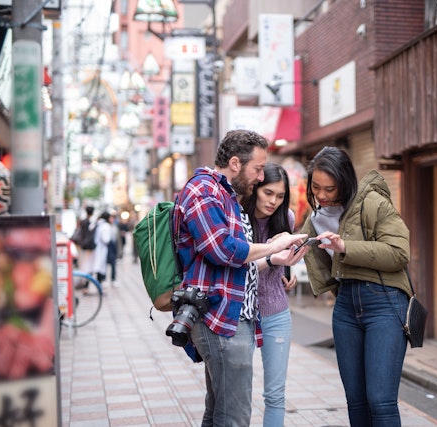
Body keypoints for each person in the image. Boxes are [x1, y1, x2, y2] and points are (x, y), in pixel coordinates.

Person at [173, 129, 309, 426]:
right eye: (258, 169)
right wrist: (273, 245)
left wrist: (274, 259)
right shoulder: (203, 191)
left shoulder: (226, 195)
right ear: (235, 163)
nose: (261, 177)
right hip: (219, 318)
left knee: (219, 411)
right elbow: (221, 249)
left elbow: (236, 266)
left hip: (231, 317)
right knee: (234, 416)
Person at [300, 146, 412, 427]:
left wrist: (346, 246)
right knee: (356, 401)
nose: (322, 195)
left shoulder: (373, 203)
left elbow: (399, 252)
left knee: (380, 401)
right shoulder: (315, 217)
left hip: (384, 302)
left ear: (346, 182)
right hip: (346, 305)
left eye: (330, 188)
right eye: (316, 187)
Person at [240, 163, 298, 427]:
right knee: (237, 394)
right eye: (268, 193)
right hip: (241, 315)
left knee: (275, 394)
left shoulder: (287, 219)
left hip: (276, 312)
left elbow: (283, 262)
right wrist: (274, 259)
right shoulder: (239, 217)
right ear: (255, 189)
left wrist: (288, 271)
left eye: (281, 196)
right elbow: (240, 268)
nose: (274, 201)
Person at [92, 211, 112, 289]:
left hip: (96, 248)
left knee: (97, 267)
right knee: (100, 268)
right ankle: (99, 286)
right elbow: (106, 239)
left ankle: (98, 285)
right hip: (101, 249)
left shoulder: (98, 224)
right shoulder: (105, 226)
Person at [106, 213, 119, 287]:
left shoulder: (115, 227)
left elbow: (118, 239)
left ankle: (113, 279)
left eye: (113, 218)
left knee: (113, 264)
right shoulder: (106, 226)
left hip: (113, 247)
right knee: (105, 264)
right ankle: (104, 279)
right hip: (107, 246)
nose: (112, 219)